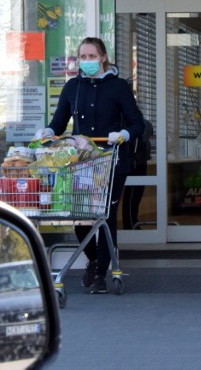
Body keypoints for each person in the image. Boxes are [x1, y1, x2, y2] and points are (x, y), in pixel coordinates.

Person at [34, 37, 145, 294]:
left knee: (105, 216)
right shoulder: (73, 87)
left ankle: (101, 274)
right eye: (82, 57)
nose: (87, 61)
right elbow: (59, 121)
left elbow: (137, 122)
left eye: (91, 56)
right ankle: (94, 258)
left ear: (103, 57)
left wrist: (124, 135)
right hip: (83, 163)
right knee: (81, 217)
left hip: (112, 160)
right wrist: (48, 131)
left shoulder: (118, 87)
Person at [122, 118, 153, 230]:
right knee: (132, 198)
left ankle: (131, 224)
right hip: (136, 165)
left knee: (132, 197)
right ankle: (130, 224)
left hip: (136, 164)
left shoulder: (133, 124)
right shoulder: (140, 124)